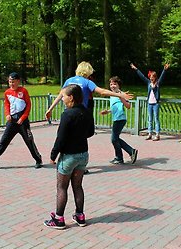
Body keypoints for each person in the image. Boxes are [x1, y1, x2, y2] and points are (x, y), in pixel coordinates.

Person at [45, 61, 134, 174]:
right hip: (82, 114)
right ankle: (80, 166)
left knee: (64, 136)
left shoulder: (69, 80)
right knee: (81, 138)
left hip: (68, 113)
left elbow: (61, 95)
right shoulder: (87, 82)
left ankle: (64, 161)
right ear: (87, 71)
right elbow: (102, 91)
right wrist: (119, 94)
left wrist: (50, 109)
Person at [44, 84, 95, 229]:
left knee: (62, 187)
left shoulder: (67, 114)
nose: (62, 99)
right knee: (78, 186)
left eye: (64, 96)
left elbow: (61, 138)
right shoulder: (86, 112)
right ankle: (80, 216)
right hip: (83, 154)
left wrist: (53, 155)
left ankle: (59, 218)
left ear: (71, 98)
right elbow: (90, 132)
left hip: (68, 156)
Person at [0, 72, 43, 169]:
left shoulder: (23, 91)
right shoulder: (7, 92)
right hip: (12, 120)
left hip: (22, 121)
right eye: (10, 82)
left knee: (29, 140)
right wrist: (7, 114)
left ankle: (38, 159)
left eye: (13, 82)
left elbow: (28, 105)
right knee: (4, 140)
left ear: (18, 81)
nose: (11, 84)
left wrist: (23, 117)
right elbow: (6, 104)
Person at [100, 76, 138, 164]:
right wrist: (108, 111)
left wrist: (121, 97)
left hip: (120, 119)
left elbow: (128, 106)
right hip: (116, 118)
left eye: (114, 84)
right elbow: (116, 106)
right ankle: (121, 156)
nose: (112, 86)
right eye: (111, 84)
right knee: (115, 139)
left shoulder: (121, 93)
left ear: (118, 85)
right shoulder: (112, 94)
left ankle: (128, 153)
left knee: (114, 139)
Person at [130, 62, 170, 141]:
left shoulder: (158, 84)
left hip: (155, 104)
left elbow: (162, 77)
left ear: (155, 77)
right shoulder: (148, 83)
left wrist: (164, 70)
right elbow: (142, 76)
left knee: (156, 119)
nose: (151, 78)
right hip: (149, 104)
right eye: (150, 77)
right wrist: (136, 69)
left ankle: (157, 134)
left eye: (153, 77)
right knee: (150, 119)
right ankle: (150, 133)